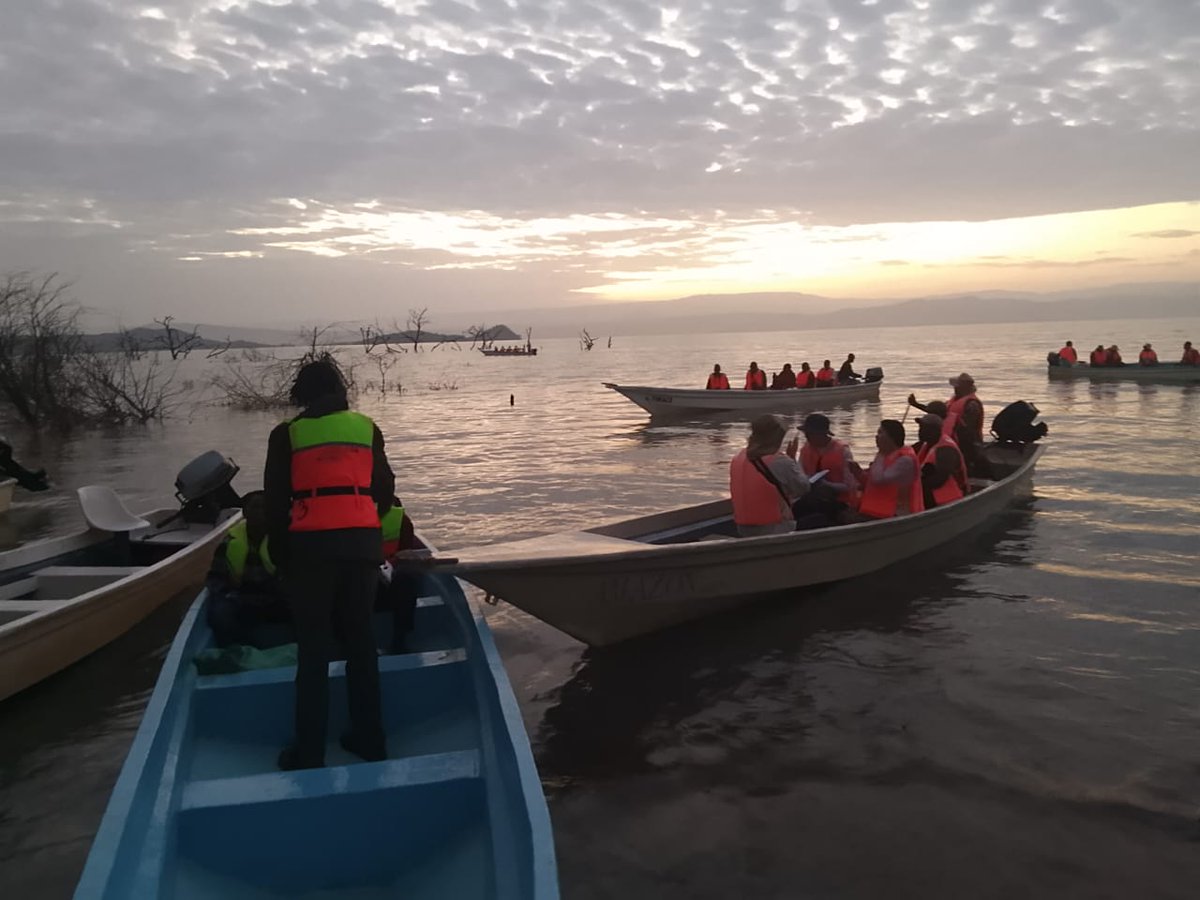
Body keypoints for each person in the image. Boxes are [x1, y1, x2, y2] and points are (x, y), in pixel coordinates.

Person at [264, 356, 394, 771]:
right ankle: (371, 741)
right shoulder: (366, 429)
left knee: (314, 651)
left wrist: (282, 560)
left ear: (301, 394)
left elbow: (275, 505)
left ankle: (309, 753)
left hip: (309, 551)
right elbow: (386, 495)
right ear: (340, 391)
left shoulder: (287, 434)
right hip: (361, 547)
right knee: (361, 645)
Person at [205, 490, 287, 647]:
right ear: (244, 512)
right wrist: (227, 594)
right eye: (255, 507)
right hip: (241, 597)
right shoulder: (229, 542)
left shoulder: (284, 541)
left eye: (265, 508)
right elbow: (215, 577)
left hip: (276, 597)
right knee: (219, 613)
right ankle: (234, 647)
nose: (260, 512)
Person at [729, 415, 810, 537]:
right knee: (819, 519)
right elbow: (803, 488)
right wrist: (793, 459)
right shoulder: (781, 462)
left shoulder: (737, 458)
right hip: (775, 528)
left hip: (743, 528)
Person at [907, 373, 984, 475]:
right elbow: (936, 411)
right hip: (948, 437)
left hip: (968, 442)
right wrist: (916, 404)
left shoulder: (972, 404)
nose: (955, 389)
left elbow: (968, 429)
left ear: (966, 387)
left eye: (957, 386)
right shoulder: (953, 401)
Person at [848, 420, 924, 519]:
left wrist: (881, 453)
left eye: (880, 433)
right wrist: (858, 473)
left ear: (891, 437)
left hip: (894, 515)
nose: (876, 436)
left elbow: (878, 479)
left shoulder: (905, 460)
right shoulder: (886, 455)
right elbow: (871, 483)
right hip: (876, 511)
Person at [797, 413, 858, 510]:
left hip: (840, 501)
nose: (806, 437)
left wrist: (828, 485)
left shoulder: (842, 450)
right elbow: (799, 476)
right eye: (806, 434)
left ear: (822, 434)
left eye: (809, 434)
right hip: (812, 498)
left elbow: (850, 485)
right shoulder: (805, 449)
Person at [913, 414, 967, 509]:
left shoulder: (945, 450)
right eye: (920, 428)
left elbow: (939, 480)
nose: (920, 431)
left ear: (935, 430)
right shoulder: (927, 444)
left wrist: (911, 485)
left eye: (924, 428)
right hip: (931, 496)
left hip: (949, 499)